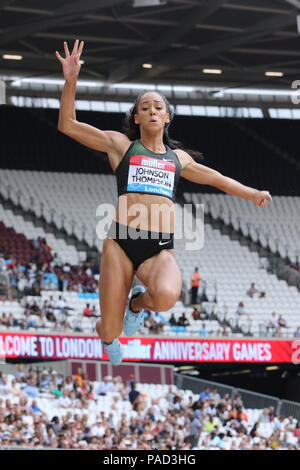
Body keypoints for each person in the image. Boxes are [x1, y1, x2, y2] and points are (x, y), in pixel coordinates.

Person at [55, 40, 272, 365]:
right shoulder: (121, 146)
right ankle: (107, 329)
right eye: (145, 108)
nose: (152, 110)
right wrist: (71, 80)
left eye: (157, 107)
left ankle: (137, 305)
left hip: (158, 247)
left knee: (168, 296)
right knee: (111, 333)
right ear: (137, 118)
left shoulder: (178, 159)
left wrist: (251, 192)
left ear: (167, 117)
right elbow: (67, 125)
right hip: (122, 241)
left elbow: (217, 179)